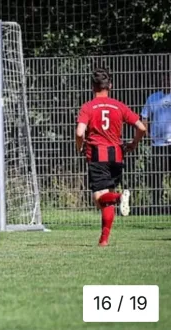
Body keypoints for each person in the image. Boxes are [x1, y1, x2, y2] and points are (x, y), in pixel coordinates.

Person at [75, 68, 146, 247]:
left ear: (93, 87)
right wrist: (134, 143)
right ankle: (104, 241)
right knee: (104, 198)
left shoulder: (88, 107)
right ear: (110, 86)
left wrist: (79, 146)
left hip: (98, 154)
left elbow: (79, 132)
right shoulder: (119, 106)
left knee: (99, 199)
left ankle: (119, 197)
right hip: (117, 155)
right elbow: (142, 128)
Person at [140, 71, 171, 215]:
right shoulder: (153, 98)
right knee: (156, 175)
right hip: (157, 144)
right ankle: (156, 204)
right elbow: (144, 117)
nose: (166, 82)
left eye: (168, 80)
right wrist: (146, 135)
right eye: (164, 80)